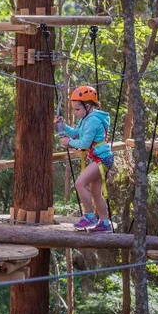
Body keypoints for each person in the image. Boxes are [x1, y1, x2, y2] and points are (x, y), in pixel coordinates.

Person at [56, 86, 114, 232]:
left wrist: (68, 142)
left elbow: (84, 144)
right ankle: (105, 223)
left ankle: (89, 216)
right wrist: (62, 125)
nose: (75, 113)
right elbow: (76, 133)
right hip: (100, 158)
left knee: (80, 183)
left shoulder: (92, 121)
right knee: (95, 192)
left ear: (87, 106)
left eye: (77, 109)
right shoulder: (86, 118)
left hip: (102, 158)